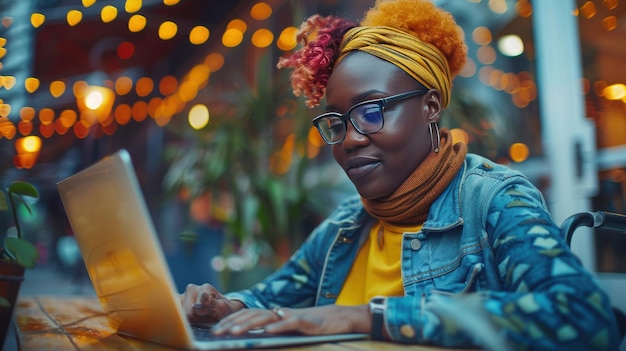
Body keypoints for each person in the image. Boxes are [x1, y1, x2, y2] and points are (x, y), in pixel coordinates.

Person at [180, 0, 621, 349]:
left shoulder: (492, 199)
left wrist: (365, 316)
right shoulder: (346, 224)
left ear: (430, 106)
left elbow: (583, 317)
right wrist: (227, 306)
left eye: (371, 111)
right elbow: (272, 296)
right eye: (335, 122)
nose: (349, 139)